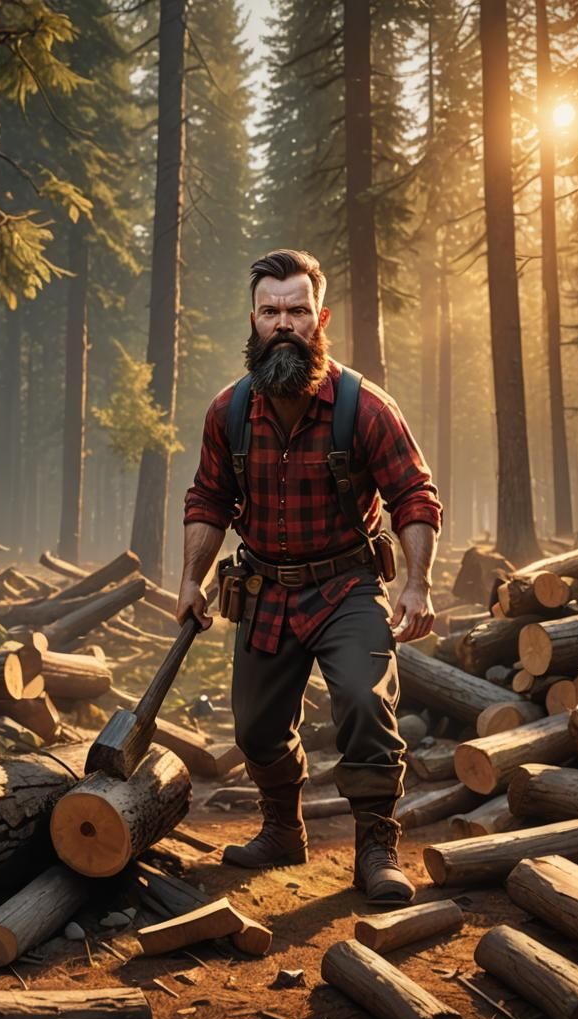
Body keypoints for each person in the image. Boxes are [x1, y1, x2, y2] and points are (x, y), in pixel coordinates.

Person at [177, 248, 441, 905]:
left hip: (347, 585)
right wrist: (190, 579)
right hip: (265, 589)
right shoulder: (228, 412)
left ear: (320, 317)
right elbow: (208, 500)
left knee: (361, 700)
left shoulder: (365, 407)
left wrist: (417, 584)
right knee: (254, 729)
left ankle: (377, 847)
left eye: (297, 310)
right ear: (254, 320)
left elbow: (415, 495)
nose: (284, 323)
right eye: (271, 311)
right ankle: (281, 830)